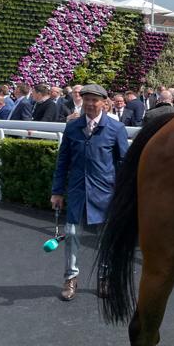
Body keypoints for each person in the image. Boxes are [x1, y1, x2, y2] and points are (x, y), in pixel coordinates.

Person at [50, 83, 128, 301]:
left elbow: (124, 163)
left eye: (95, 100)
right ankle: (71, 278)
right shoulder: (72, 128)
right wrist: (57, 191)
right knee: (72, 233)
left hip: (106, 191)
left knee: (105, 237)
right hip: (77, 189)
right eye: (87, 100)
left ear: (104, 103)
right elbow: (62, 161)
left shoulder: (116, 129)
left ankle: (104, 276)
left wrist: (124, 194)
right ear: (82, 102)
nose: (90, 104)